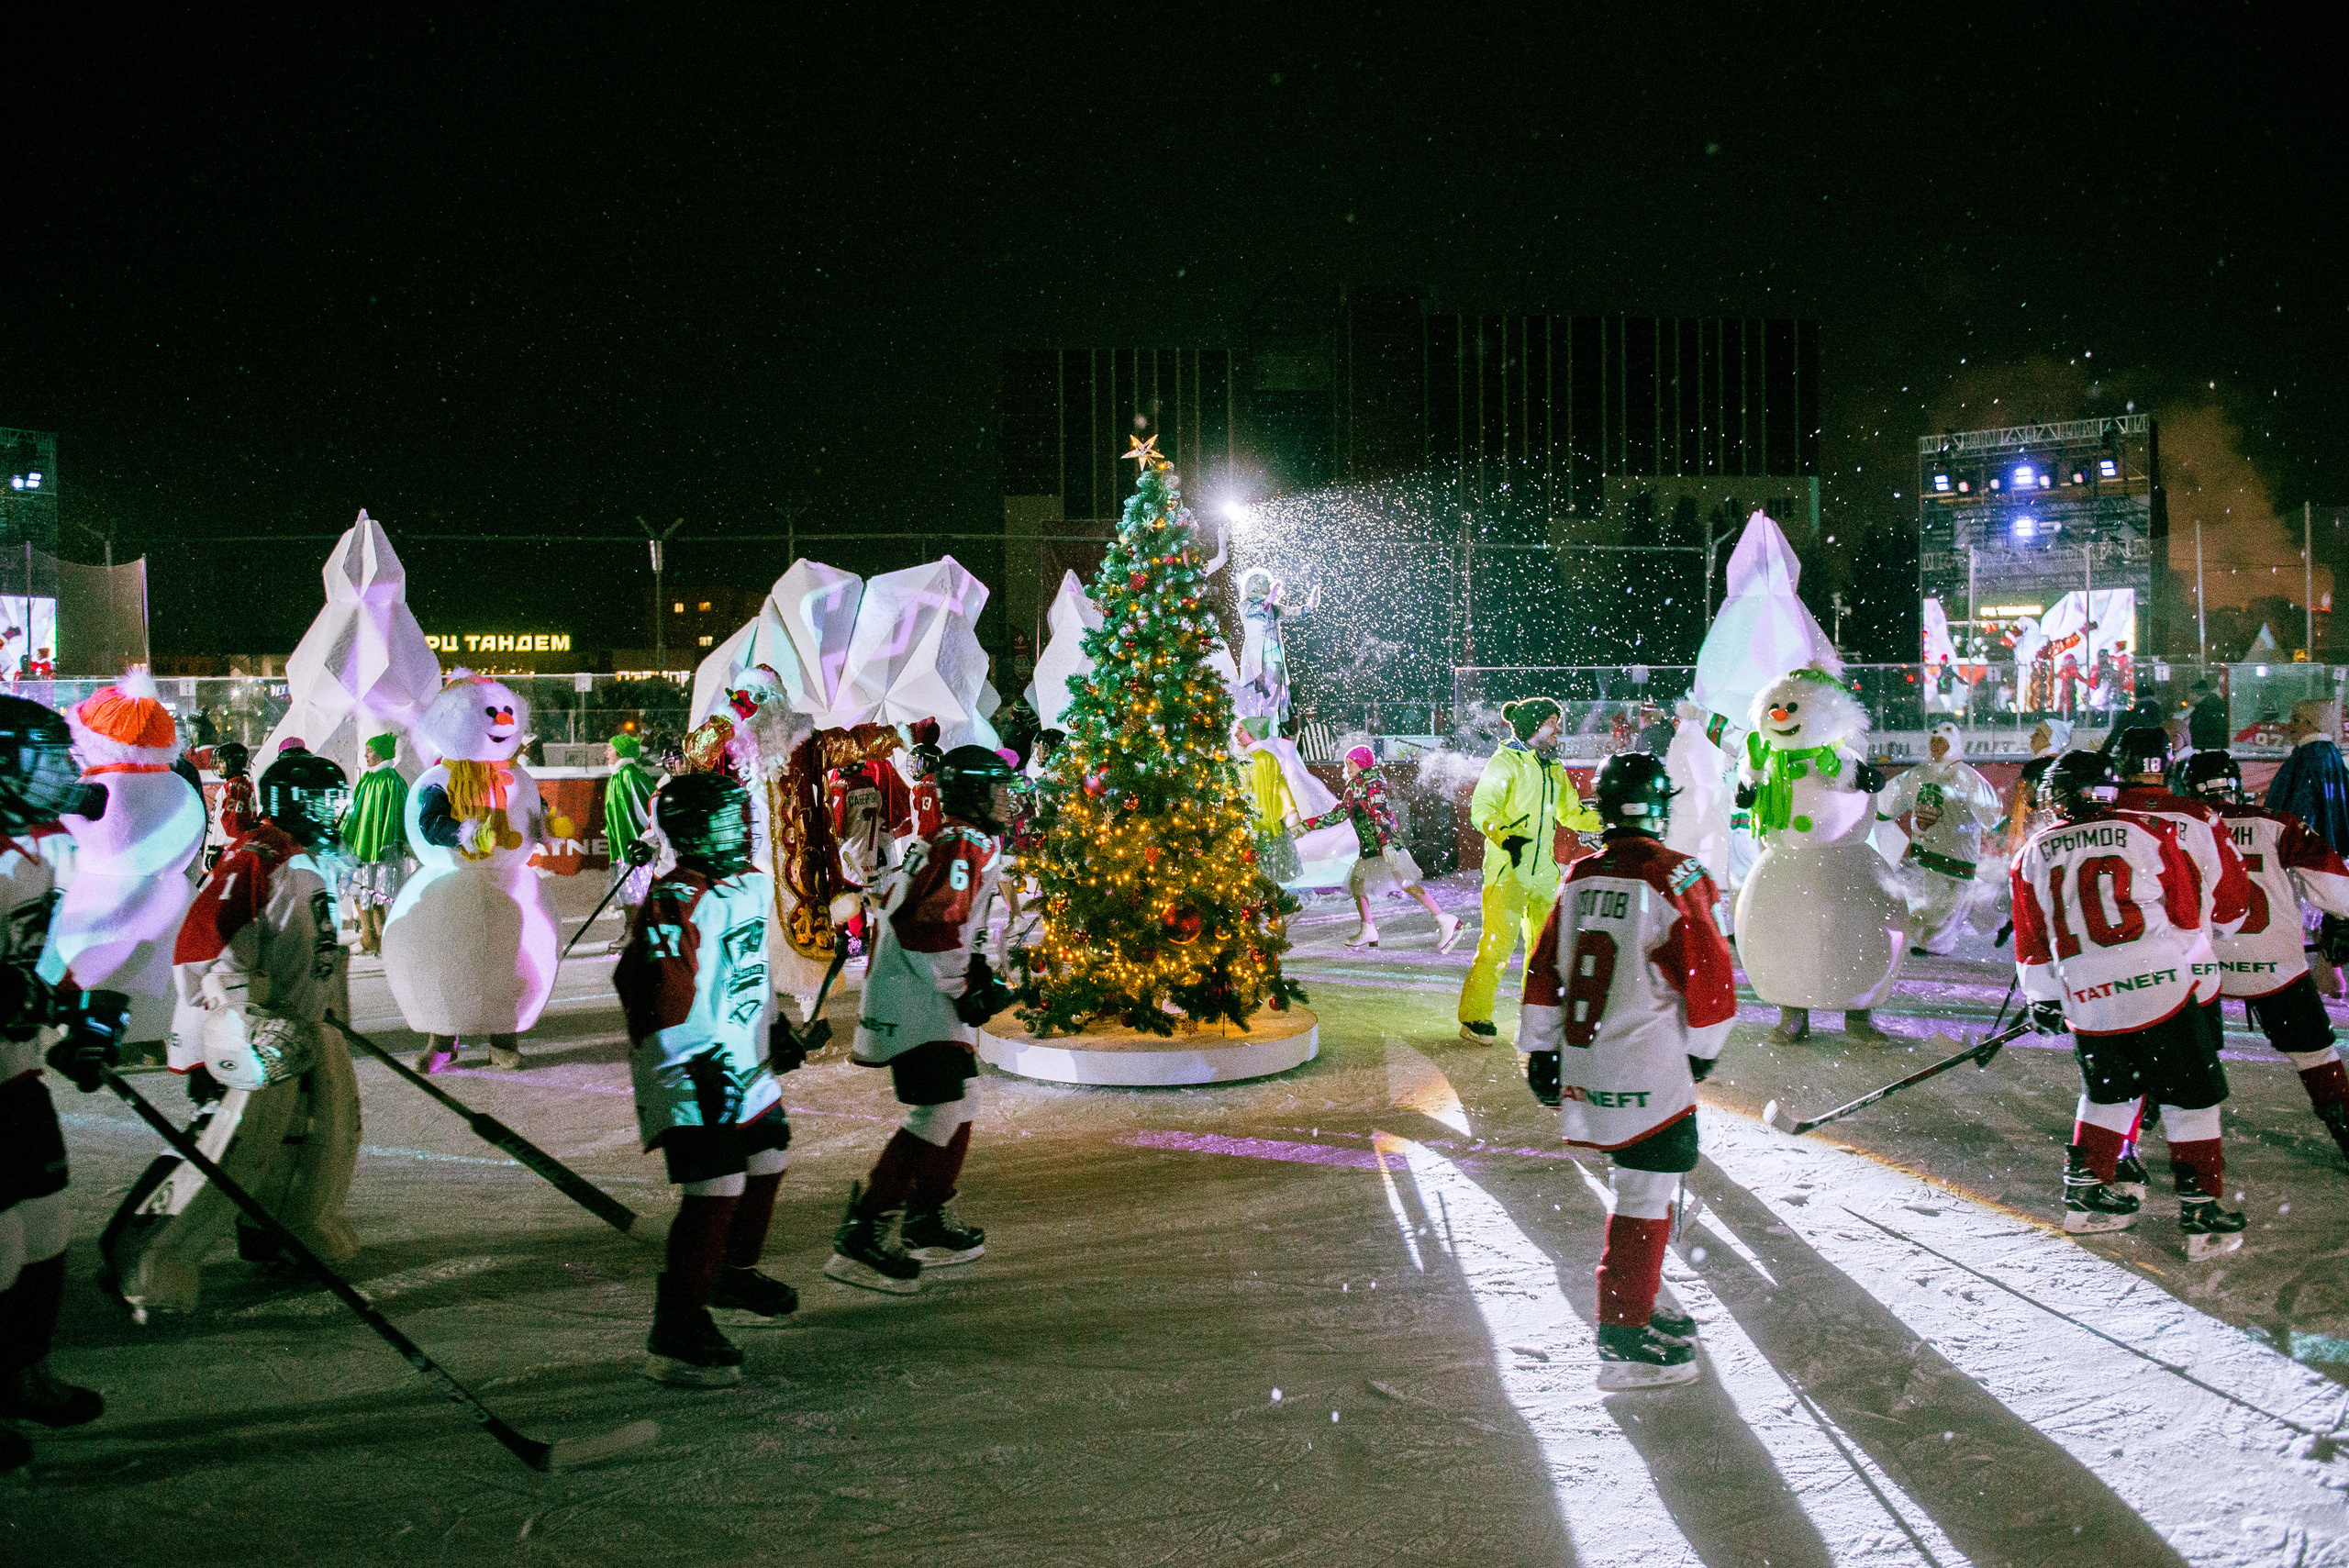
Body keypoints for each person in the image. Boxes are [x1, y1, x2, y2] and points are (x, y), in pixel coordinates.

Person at [111, 750, 360, 1314]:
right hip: (247, 1032)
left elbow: (318, 950)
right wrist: (240, 1020)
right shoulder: (257, 859)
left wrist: (329, 1016)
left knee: (320, 1137)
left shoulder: (312, 860)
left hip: (301, 1027)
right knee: (233, 1150)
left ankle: (295, 1228)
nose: (337, 810)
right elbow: (207, 943)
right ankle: (155, 1259)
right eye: (327, 800)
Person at [1520, 752, 1734, 1389]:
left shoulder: (1581, 874)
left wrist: (1541, 1047)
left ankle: (1639, 1300)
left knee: (1639, 1186)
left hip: (1588, 1057)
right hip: (1649, 1058)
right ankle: (1623, 1330)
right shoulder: (1677, 873)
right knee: (1644, 1192)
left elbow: (1544, 967)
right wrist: (1704, 1046)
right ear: (1660, 807)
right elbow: (1708, 975)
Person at [2010, 751, 2246, 1257]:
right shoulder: (2146, 832)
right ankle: (2200, 1208)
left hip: (2088, 997)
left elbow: (2031, 937)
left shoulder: (2032, 851)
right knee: (2192, 1099)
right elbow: (2184, 913)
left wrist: (2044, 996)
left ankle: (2085, 1197)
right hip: (2157, 984)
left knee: (2110, 1094)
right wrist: (2189, 968)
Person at [614, 772, 796, 1387]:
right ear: (691, 828)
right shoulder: (675, 898)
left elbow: (746, 965)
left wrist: (775, 1024)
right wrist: (694, 1061)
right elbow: (655, 994)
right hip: (692, 1064)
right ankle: (677, 1324)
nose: (740, 828)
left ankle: (730, 1270)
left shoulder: (747, 882)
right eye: (727, 819)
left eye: (741, 816)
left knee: (768, 1152)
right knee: (716, 1180)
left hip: (739, 1054)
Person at [829, 746, 1019, 1295]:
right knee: (937, 1112)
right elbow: (929, 926)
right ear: (974, 794)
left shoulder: (954, 840)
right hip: (916, 995)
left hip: (922, 988)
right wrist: (964, 987)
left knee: (962, 1103)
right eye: (998, 790)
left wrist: (975, 969)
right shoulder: (963, 843)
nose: (1007, 801)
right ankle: (864, 1231)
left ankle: (926, 1215)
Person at [0, 695, 117, 1472]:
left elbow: (45, 953)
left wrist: (75, 1014)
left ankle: (22, 1369)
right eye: (43, 757)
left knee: (44, 1227)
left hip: (14, 1074)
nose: (62, 772)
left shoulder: (45, 849)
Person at [2178, 751, 2349, 1163]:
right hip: (2273, 964)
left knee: (2172, 1055)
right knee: (2316, 1055)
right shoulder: (2277, 823)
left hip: (2200, 964)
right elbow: (2339, 893)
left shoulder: (2176, 827)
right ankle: (2343, 1128)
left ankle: (2132, 1146)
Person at [1458, 698, 1598, 1042]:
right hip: (1508, 870)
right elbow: (1483, 808)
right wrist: (1507, 838)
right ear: (1534, 725)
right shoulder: (1505, 762)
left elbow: (1570, 812)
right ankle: (1474, 1018)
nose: (1557, 729)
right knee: (1497, 947)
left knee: (1546, 948)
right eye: (1552, 722)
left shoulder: (1552, 768)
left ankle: (1539, 1013)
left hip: (1544, 874)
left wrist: (1610, 823)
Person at [1299, 744, 1462, 953]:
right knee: (1358, 884)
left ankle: (1443, 918)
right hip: (1370, 847)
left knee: (1405, 882)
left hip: (1384, 845)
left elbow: (1381, 814)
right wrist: (1304, 826)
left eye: (1351, 763)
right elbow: (1337, 814)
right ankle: (1368, 928)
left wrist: (1386, 844)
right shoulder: (1354, 787)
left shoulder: (1372, 784)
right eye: (1346, 764)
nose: (1348, 767)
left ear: (1362, 763)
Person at [1884, 721, 2004, 954]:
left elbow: (1991, 812)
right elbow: (1895, 798)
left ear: (1953, 744)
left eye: (1942, 742)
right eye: (1933, 742)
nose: (1936, 747)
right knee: (1950, 899)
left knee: (1946, 902)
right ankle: (1998, 921)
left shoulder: (1966, 776)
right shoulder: (1920, 773)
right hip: (1928, 849)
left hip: (1955, 851)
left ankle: (1935, 943)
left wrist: (1993, 826)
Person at [2265, 700, 2349, 995]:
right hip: (2334, 850)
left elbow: (2294, 810)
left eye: (2295, 720)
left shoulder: (2304, 759)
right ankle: (2331, 974)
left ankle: (2300, 979)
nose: (2289, 727)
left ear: (2309, 724)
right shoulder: (2332, 757)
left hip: (2307, 851)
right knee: (2329, 914)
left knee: (2297, 913)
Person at [340, 733, 408, 957]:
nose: (366, 755)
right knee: (365, 890)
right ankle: (372, 935)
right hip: (363, 846)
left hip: (378, 849)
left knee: (374, 891)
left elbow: (396, 815)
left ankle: (376, 936)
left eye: (370, 750)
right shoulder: (369, 779)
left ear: (382, 753)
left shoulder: (390, 780)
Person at [1235, 570, 1320, 729]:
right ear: (1256, 584)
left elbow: (1293, 613)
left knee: (1273, 704)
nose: (1269, 584)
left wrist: (1310, 607)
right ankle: (1253, 737)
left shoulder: (1274, 607)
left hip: (1274, 660)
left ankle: (1271, 735)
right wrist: (1267, 601)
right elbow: (1255, 610)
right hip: (1256, 662)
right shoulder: (1244, 605)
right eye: (1266, 582)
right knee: (1253, 702)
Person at [603, 733, 660, 955]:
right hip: (623, 847)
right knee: (629, 893)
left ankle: (637, 935)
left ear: (621, 752)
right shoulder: (618, 776)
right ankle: (632, 931)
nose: (606, 753)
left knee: (636, 893)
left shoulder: (630, 775)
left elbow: (648, 806)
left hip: (636, 849)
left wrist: (645, 840)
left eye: (610, 748)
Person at [213, 740, 258, 846]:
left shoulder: (236, 786)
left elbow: (233, 828)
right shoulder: (233, 784)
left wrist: (220, 849)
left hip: (227, 851)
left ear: (232, 763)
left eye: (221, 762)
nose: (218, 766)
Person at [2188, 681, 2232, 751]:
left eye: (2190, 693)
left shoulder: (2203, 709)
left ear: (2196, 694)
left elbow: (2199, 732)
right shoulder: (2211, 706)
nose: (2188, 697)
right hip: (2214, 748)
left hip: (2207, 748)